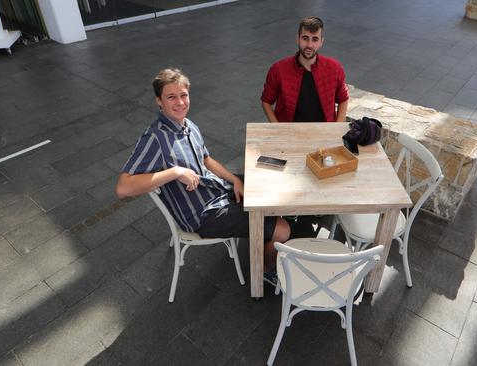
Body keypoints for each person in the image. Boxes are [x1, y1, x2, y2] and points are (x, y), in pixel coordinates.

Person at [116, 68, 290, 284]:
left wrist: (234, 180)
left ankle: (260, 228)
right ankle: (264, 269)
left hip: (215, 189)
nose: (180, 102)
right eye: (171, 97)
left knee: (268, 184)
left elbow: (206, 159)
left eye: (184, 95)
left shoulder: (188, 126)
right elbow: (123, 188)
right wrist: (176, 171)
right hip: (203, 214)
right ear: (159, 101)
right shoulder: (155, 138)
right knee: (282, 230)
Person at [261, 16, 349, 123]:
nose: (309, 45)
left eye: (315, 39)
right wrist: (278, 128)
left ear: (321, 42)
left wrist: (336, 128)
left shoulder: (335, 68)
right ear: (297, 39)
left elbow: (343, 98)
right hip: (290, 133)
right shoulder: (278, 70)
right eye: (305, 38)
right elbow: (266, 101)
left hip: (323, 133)